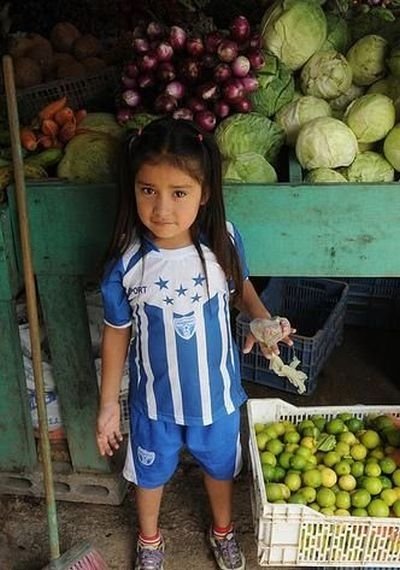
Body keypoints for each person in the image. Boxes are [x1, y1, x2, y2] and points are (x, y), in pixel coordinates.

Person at [96, 117, 294, 570]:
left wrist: (262, 321)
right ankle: (150, 539)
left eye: (178, 192)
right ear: (133, 189)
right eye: (148, 190)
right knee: (149, 474)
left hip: (218, 398)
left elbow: (241, 288)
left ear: (204, 193)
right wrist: (109, 404)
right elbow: (115, 335)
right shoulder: (127, 266)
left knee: (220, 469)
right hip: (154, 403)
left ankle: (222, 530)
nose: (162, 207)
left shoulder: (221, 241)